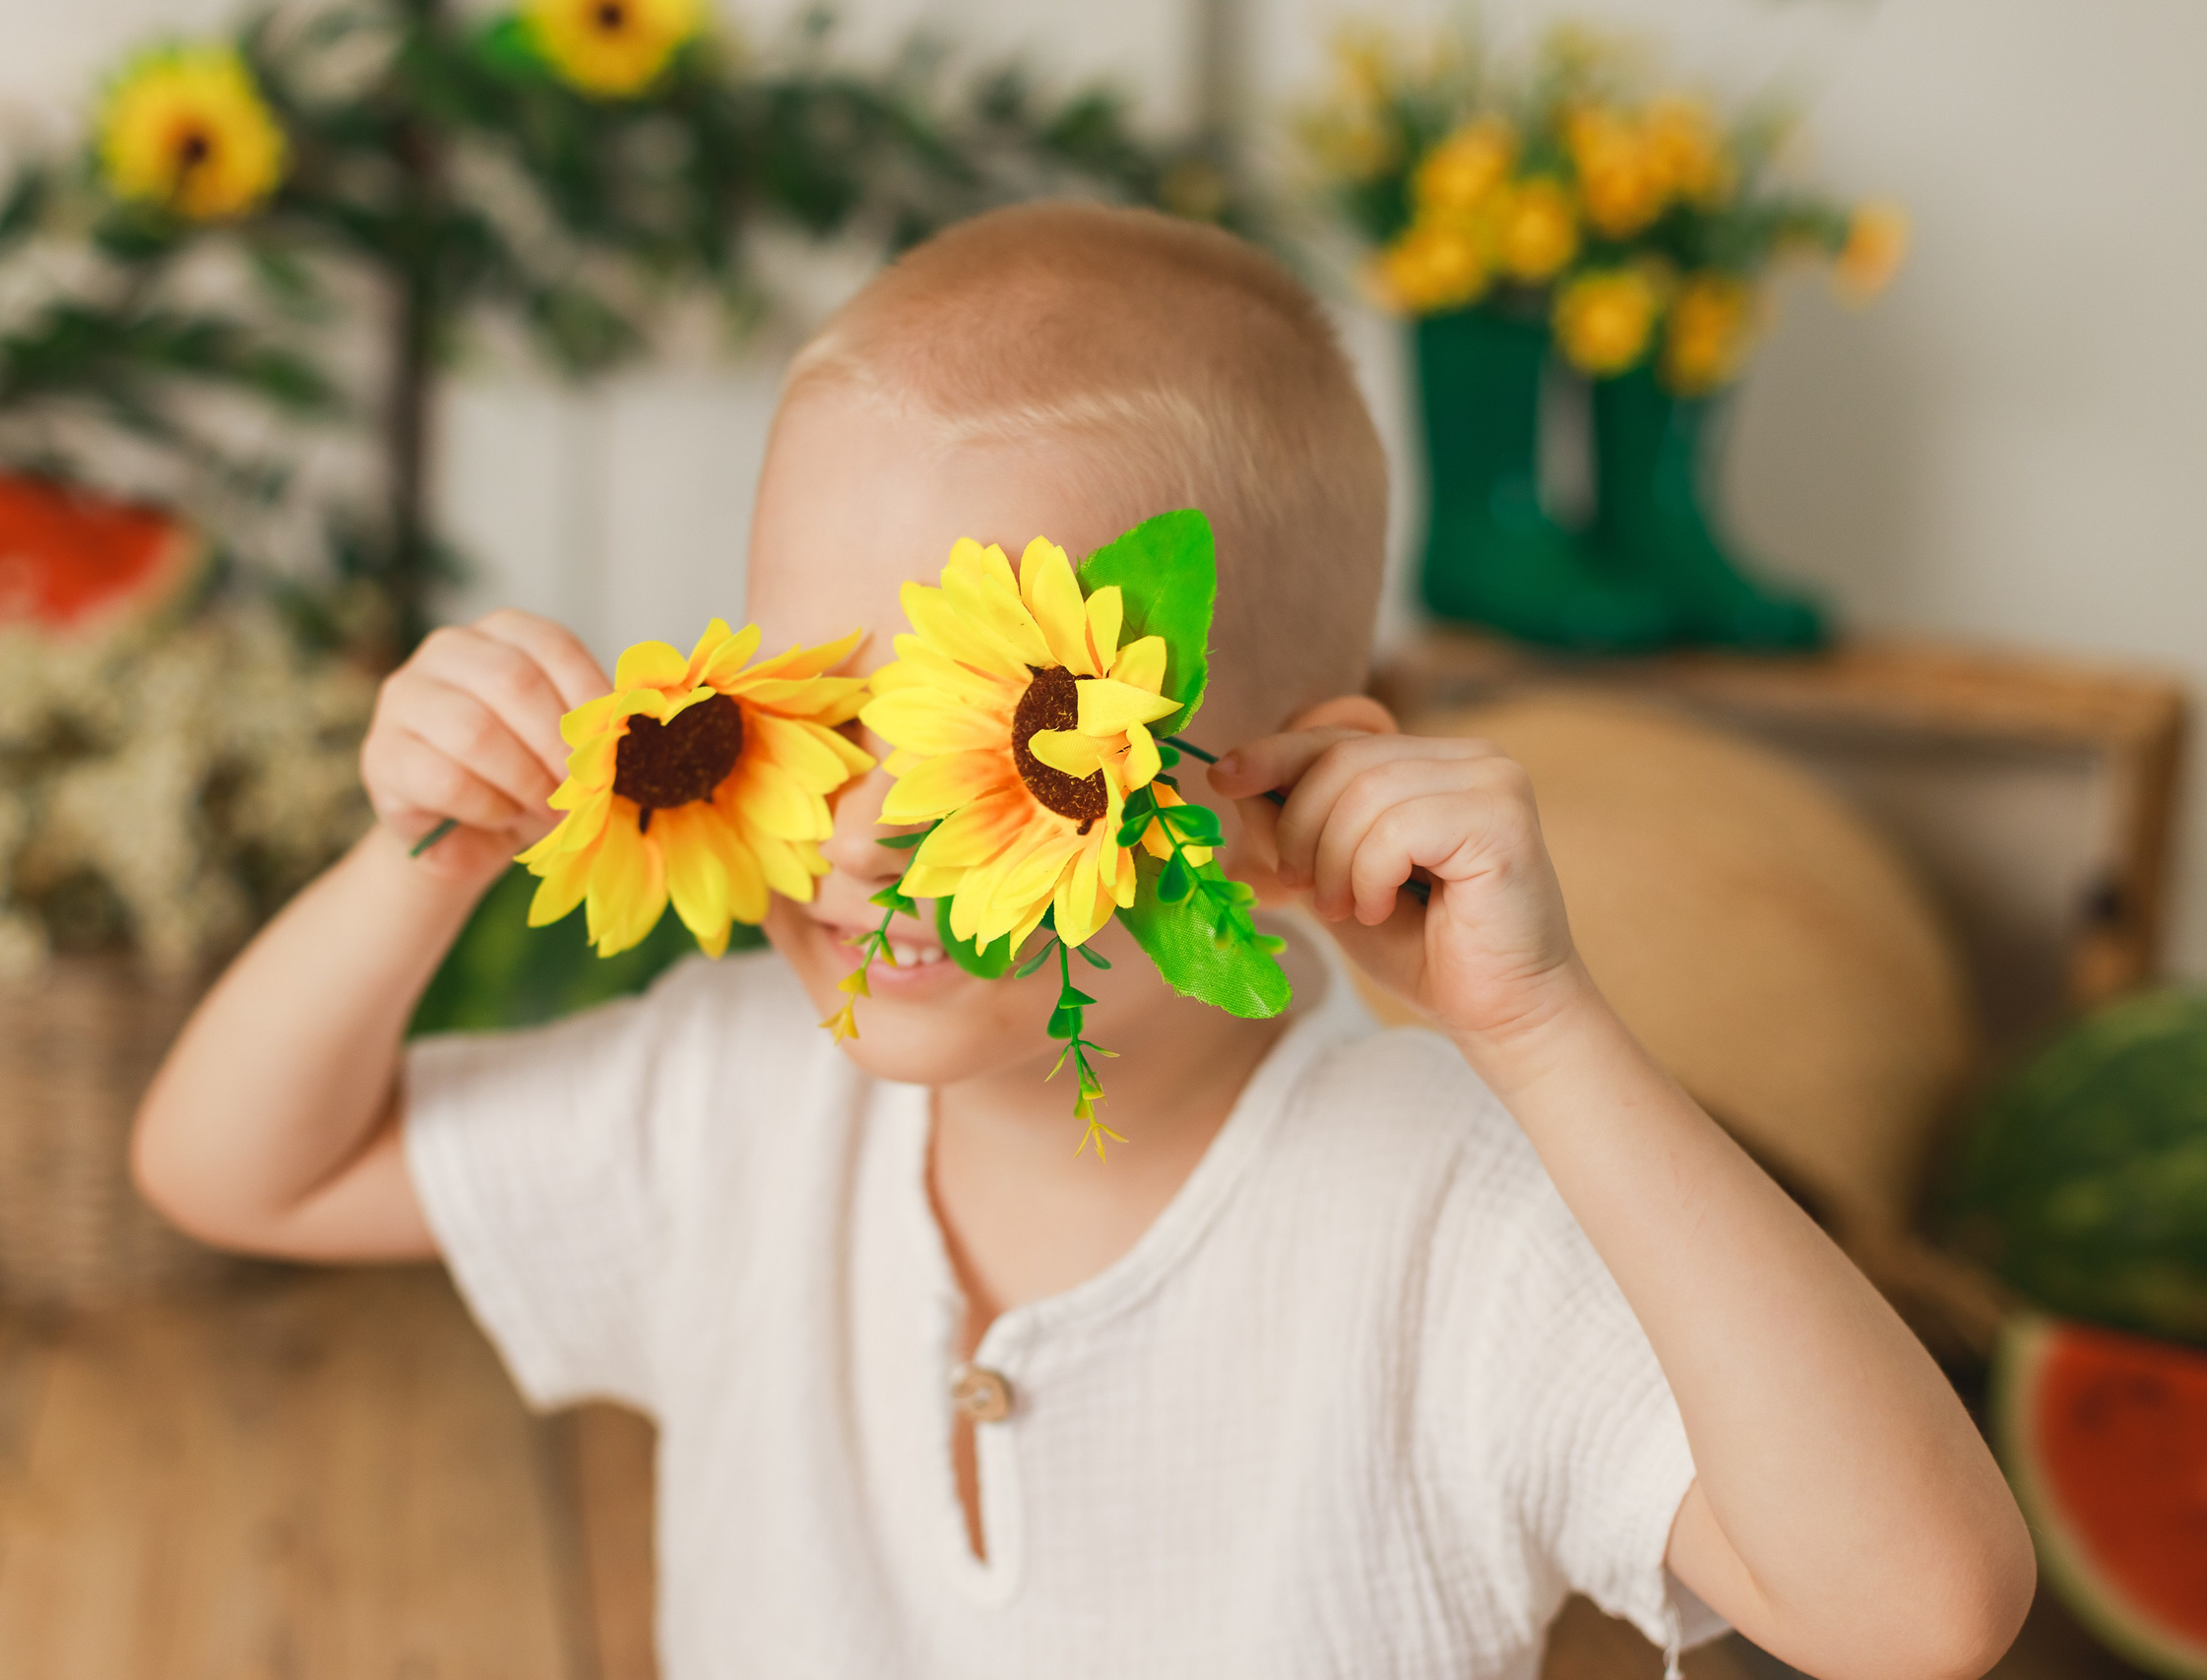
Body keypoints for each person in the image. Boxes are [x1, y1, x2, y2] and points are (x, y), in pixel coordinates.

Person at [133, 204, 2033, 1679]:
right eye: (810, 711)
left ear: (1290, 789)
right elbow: (233, 1169)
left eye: (1006, 740)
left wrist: (1544, 1032)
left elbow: (1918, 1610)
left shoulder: (1445, 1217)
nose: (868, 827)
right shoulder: (726, 1104)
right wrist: (431, 857)